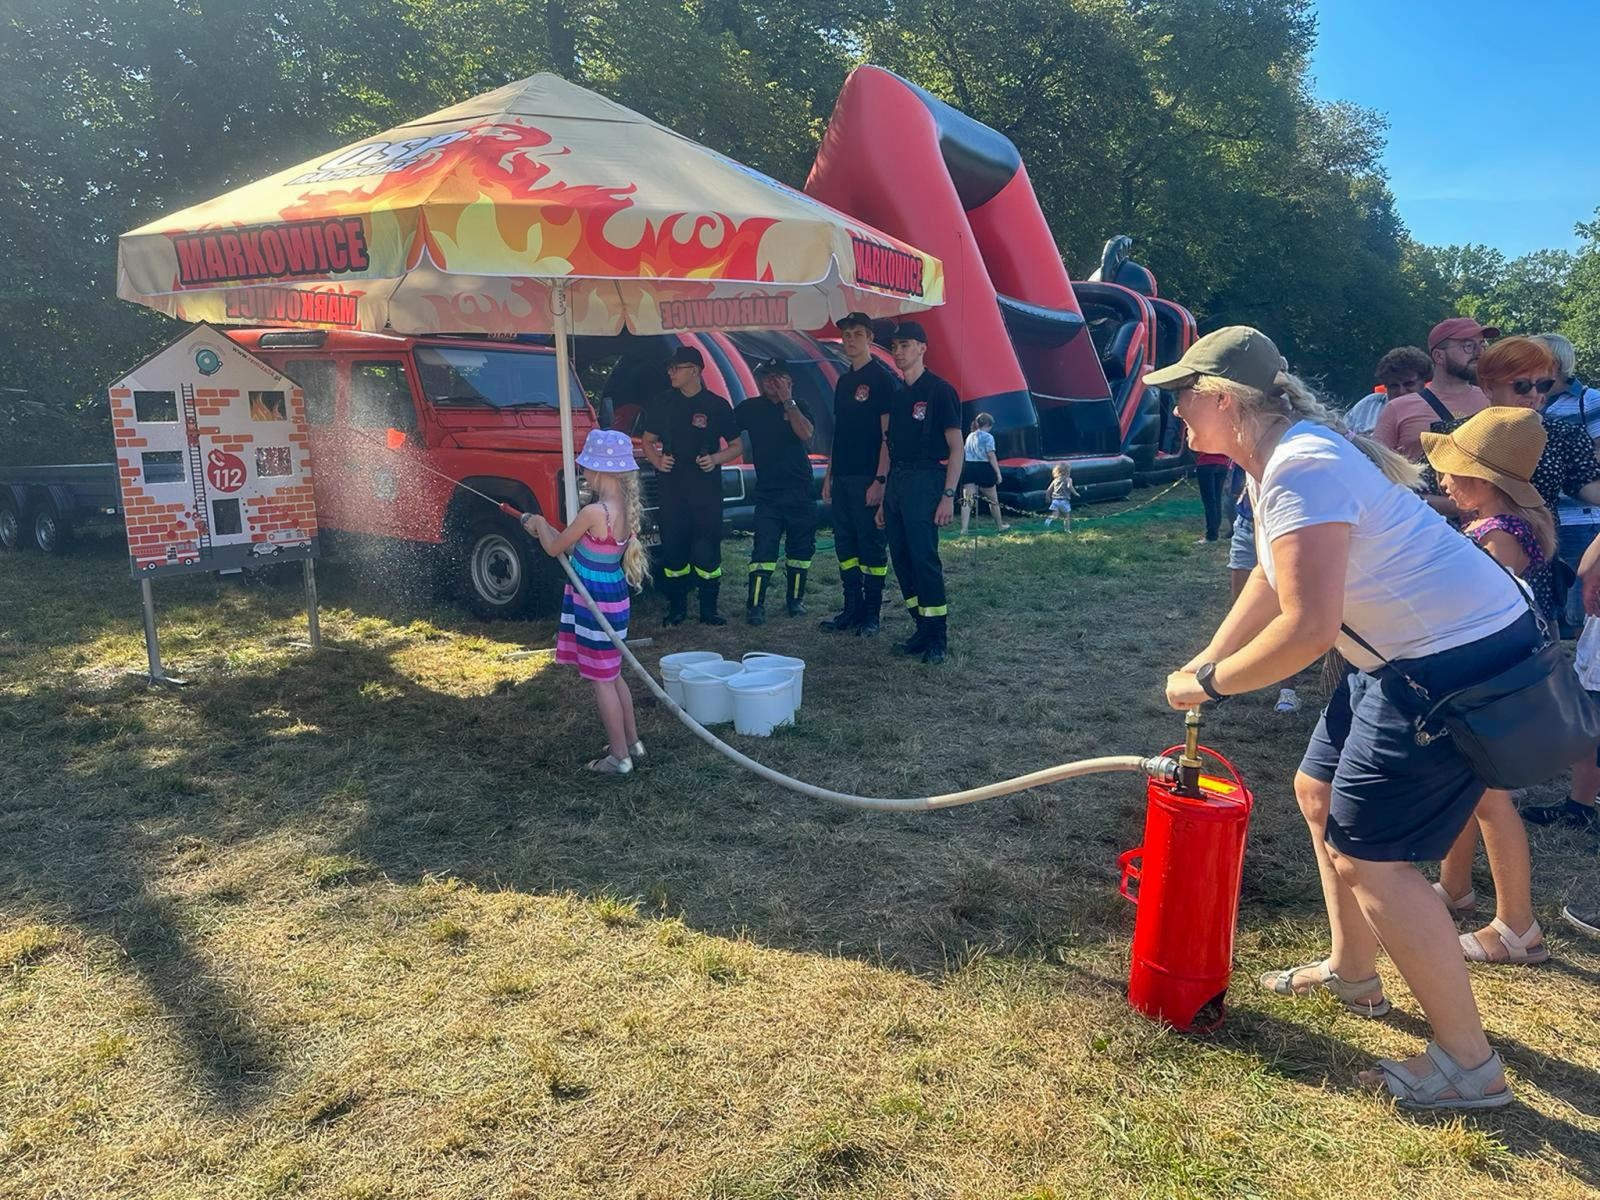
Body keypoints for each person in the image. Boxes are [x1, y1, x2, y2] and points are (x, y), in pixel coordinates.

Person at [1153, 325, 1538, 1111]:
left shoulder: (1303, 466)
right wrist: (1204, 660)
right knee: (1318, 791)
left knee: (1373, 858)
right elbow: (1273, 580)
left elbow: (1307, 629)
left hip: (1451, 661)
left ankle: (1469, 1067)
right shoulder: (1272, 462)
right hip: (1402, 654)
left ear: (1224, 399)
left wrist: (1213, 684)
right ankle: (1353, 975)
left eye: (1184, 394)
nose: (1177, 409)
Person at [1423, 409, 1555, 964]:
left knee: (1490, 799)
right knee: (1468, 786)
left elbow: (1482, 604)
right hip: (1492, 676)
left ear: (1483, 479)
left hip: (1489, 680)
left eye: (1452, 470)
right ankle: (1455, 886)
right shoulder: (1504, 525)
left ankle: (1517, 927)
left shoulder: (1498, 535)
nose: (1443, 479)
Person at [521, 429, 650, 776]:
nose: (584, 473)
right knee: (613, 673)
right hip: (614, 597)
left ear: (598, 472)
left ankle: (619, 758)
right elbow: (570, 545)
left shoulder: (594, 512)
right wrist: (544, 528)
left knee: (601, 679)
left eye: (586, 468)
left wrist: (539, 523)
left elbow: (554, 547)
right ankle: (632, 743)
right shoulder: (623, 509)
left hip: (594, 602)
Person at [707, 358, 817, 626]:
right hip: (768, 493)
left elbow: (805, 434)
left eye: (777, 376)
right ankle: (755, 605)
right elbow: (725, 428)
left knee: (800, 550)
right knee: (763, 551)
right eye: (766, 377)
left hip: (800, 490)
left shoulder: (800, 406)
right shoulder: (751, 408)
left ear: (789, 380)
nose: (771, 382)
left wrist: (788, 402)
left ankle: (795, 601)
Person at [640, 346, 739, 626]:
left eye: (676, 368)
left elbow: (737, 445)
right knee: (674, 551)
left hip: (706, 491)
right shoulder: (663, 402)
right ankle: (677, 608)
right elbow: (647, 440)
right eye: (669, 368)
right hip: (672, 490)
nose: (670, 373)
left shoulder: (716, 405)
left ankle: (709, 610)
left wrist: (715, 459)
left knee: (707, 550)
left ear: (694, 370)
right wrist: (657, 460)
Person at [883, 321, 963, 664]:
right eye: (895, 347)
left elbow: (956, 448)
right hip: (897, 482)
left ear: (922, 348)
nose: (898, 352)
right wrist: (884, 494)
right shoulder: (898, 395)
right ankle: (920, 626)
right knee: (901, 560)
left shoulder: (939, 391)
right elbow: (890, 448)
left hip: (926, 479)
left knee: (923, 559)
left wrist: (948, 495)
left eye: (905, 345)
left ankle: (937, 637)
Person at [820, 312, 896, 636]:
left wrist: (880, 480)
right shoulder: (843, 381)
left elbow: (887, 436)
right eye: (846, 334)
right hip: (843, 476)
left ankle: (871, 613)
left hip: (867, 476)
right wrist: (829, 474)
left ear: (870, 338)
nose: (850, 340)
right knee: (845, 544)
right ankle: (851, 608)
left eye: (857, 334)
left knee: (871, 546)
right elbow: (839, 433)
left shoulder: (881, 379)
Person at [1535, 332, 1600, 635]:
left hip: (1580, 516)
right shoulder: (1531, 400)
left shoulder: (1590, 400)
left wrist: (1561, 463)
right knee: (1551, 604)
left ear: (1555, 364)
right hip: (1544, 518)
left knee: (1582, 608)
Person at [1372, 318, 1498, 460]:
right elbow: (1374, 465)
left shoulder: (1493, 401)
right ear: (1439, 356)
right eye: (1468, 346)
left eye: (1482, 345)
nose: (1479, 352)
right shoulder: (1397, 409)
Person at [1346, 346, 1433, 435]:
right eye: (1394, 386)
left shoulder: (1436, 409)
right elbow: (1342, 435)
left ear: (1423, 381)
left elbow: (1438, 442)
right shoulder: (1368, 405)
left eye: (1408, 384)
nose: (1401, 391)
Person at [959, 413, 1009, 533]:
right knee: (993, 500)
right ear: (988, 424)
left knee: (967, 500)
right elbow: (991, 455)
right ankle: (1000, 526)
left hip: (969, 467)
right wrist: (998, 473)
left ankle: (964, 529)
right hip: (984, 467)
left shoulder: (970, 436)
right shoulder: (988, 437)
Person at [1193, 451, 1230, 543]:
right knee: (1217, 499)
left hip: (1206, 462)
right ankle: (1214, 531)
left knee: (1209, 500)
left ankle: (1211, 535)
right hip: (1222, 463)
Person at [1044, 463, 1076, 530]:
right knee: (1066, 517)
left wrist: (1047, 497)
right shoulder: (1068, 479)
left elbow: (1049, 490)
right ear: (1067, 471)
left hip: (1055, 501)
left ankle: (1048, 520)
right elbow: (1069, 486)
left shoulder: (1055, 480)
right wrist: (1075, 493)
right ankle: (1067, 530)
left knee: (1055, 515)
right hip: (1064, 501)